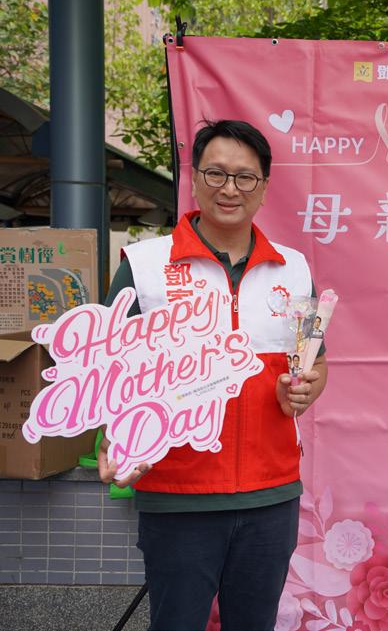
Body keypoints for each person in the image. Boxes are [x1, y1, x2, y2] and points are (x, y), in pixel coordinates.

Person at [98, 119, 327, 630]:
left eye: (245, 177)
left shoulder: (295, 270)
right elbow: (109, 368)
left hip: (271, 495)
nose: (230, 189)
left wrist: (307, 387)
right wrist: (115, 439)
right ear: (195, 179)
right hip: (178, 493)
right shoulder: (145, 266)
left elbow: (315, 358)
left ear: (264, 187)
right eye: (216, 173)